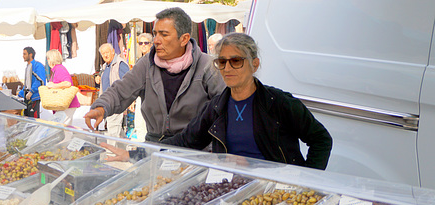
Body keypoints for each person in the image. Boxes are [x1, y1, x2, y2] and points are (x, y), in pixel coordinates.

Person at [162, 33, 333, 169]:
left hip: (276, 192)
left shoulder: (278, 103)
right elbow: (186, 141)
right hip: (231, 190)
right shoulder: (215, 107)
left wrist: (308, 179)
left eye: (236, 61)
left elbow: (321, 139)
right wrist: (146, 150)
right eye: (222, 62)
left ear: (255, 64)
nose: (227, 68)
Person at [85, 7, 225, 142]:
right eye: (155, 33)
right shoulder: (147, 63)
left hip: (195, 150)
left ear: (184, 39)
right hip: (156, 146)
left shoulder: (207, 66)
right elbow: (121, 90)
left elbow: (224, 108)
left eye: (164, 35)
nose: (156, 40)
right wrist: (101, 107)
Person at [95, 43, 130, 141]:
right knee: (117, 131)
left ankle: (110, 154)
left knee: (112, 130)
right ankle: (124, 152)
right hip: (107, 103)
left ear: (113, 51)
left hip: (116, 102)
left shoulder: (120, 64)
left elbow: (127, 83)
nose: (105, 55)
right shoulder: (105, 66)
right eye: (103, 54)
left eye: (107, 52)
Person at [44, 49, 80, 126]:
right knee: (63, 129)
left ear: (52, 59)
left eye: (48, 58)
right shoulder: (57, 69)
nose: (47, 61)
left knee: (64, 129)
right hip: (64, 105)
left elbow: (68, 83)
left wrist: (53, 85)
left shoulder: (59, 69)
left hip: (66, 105)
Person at [130, 32, 154, 141]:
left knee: (150, 127)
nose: (143, 45)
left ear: (151, 44)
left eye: (146, 43)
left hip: (151, 97)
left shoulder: (155, 60)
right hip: (140, 97)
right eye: (140, 43)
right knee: (139, 125)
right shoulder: (140, 61)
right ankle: (142, 152)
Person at [17, 47, 46, 118]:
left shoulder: (37, 65)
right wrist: (19, 94)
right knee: (27, 119)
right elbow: (27, 84)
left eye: (24, 54)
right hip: (27, 98)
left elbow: (40, 80)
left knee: (34, 119)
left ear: (30, 54)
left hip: (34, 97)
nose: (23, 56)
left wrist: (31, 91)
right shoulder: (28, 66)